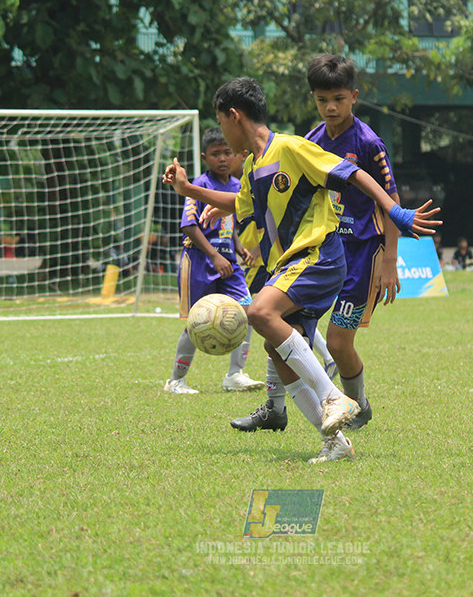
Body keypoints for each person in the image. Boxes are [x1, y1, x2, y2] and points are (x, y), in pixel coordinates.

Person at [163, 76, 440, 463]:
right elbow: (239, 203)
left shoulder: (291, 147)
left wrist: (394, 210)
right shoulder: (254, 166)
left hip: (319, 255)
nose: (224, 135)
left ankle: (333, 397)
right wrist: (190, 190)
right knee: (277, 349)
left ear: (234, 116)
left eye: (222, 124)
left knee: (261, 312)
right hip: (290, 264)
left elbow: (354, 174)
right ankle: (336, 443)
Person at [232, 54, 398, 434]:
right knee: (281, 331)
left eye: (339, 98)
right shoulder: (309, 141)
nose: (331, 107)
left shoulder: (369, 143)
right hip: (316, 249)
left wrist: (389, 259)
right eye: (323, 100)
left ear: (354, 96)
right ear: (314, 99)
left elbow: (390, 199)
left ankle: (358, 404)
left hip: (359, 253)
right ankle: (281, 407)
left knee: (339, 344)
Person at [165, 128, 263, 394]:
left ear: (235, 155)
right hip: (199, 261)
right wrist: (214, 255)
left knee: (248, 314)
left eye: (227, 153)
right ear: (204, 157)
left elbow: (228, 224)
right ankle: (176, 380)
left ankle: (235, 374)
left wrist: (238, 246)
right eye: (215, 154)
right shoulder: (199, 186)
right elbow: (189, 226)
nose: (222, 158)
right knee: (196, 321)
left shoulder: (237, 186)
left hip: (228, 263)